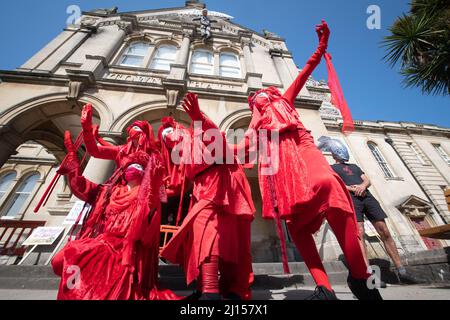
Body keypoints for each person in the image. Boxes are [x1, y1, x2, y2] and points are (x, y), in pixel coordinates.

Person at [237, 20, 382, 300]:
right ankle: (324, 287)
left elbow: (304, 73)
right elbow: (241, 147)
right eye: (254, 99)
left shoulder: (285, 101)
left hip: (302, 148)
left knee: (329, 186)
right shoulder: (256, 125)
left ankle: (360, 275)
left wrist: (321, 46)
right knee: (296, 224)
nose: (259, 97)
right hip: (278, 166)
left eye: (262, 94)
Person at [51, 131, 178, 300]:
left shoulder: (148, 194)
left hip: (125, 249)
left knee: (76, 255)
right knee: (61, 259)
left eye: (139, 167)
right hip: (103, 241)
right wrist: (73, 162)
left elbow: (170, 190)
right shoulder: (109, 191)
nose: (133, 170)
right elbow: (82, 186)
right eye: (130, 167)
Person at [160, 93, 255, 300]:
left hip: (222, 185)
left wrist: (198, 118)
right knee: (202, 237)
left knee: (223, 238)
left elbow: (215, 140)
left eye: (170, 133)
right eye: (165, 140)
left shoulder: (195, 136)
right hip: (203, 189)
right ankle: (207, 288)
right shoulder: (182, 153)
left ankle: (229, 289)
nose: (168, 139)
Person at [326, 138, 421, 285]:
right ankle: (369, 275)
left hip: (367, 197)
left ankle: (401, 270)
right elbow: (336, 184)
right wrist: (353, 188)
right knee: (360, 234)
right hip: (352, 200)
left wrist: (363, 186)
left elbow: (367, 180)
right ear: (333, 154)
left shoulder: (355, 166)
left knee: (384, 231)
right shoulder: (332, 168)